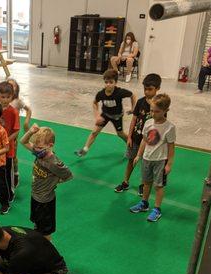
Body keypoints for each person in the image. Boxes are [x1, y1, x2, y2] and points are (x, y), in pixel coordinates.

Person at [20, 124, 73, 240]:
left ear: (50, 145)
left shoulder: (54, 163)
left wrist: (54, 182)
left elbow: (68, 175)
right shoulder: (39, 152)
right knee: (38, 224)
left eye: (39, 147)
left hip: (45, 202)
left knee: (46, 231)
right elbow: (23, 142)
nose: (36, 150)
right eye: (36, 147)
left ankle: (47, 251)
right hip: (35, 196)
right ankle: (38, 235)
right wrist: (30, 132)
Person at [130, 94, 175, 222]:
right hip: (147, 158)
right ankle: (144, 203)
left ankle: (157, 209)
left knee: (159, 185)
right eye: (151, 110)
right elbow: (144, 140)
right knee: (146, 183)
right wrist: (139, 155)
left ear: (166, 111)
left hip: (160, 160)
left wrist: (169, 164)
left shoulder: (170, 127)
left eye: (157, 111)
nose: (153, 114)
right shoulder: (148, 123)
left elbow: (171, 148)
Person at [115, 73, 162, 196]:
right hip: (136, 138)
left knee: (145, 164)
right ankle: (126, 182)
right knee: (131, 160)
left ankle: (143, 184)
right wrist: (129, 136)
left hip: (150, 141)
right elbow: (134, 120)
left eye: (150, 89)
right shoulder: (140, 102)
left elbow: (161, 125)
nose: (147, 92)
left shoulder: (159, 105)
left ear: (157, 89)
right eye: (145, 89)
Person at [75, 69, 136, 157]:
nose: (108, 84)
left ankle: (132, 147)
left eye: (111, 82)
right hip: (105, 115)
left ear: (115, 82)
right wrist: (97, 116)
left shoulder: (120, 92)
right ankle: (84, 150)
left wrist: (133, 108)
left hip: (117, 116)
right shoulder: (101, 94)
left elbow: (132, 95)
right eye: (106, 82)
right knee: (94, 132)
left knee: (120, 134)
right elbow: (95, 103)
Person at [0, 81, 20, 202]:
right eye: (2, 97)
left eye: (8, 97)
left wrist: (5, 140)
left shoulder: (13, 112)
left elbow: (16, 131)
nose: (5, 100)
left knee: (7, 171)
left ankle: (10, 192)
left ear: (12, 96)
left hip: (7, 149)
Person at [7, 77, 32, 189]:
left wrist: (26, 122)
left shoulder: (17, 101)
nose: (11, 87)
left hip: (13, 134)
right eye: (9, 85)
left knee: (13, 156)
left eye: (13, 85)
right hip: (2, 132)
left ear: (16, 88)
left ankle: (16, 173)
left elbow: (29, 110)